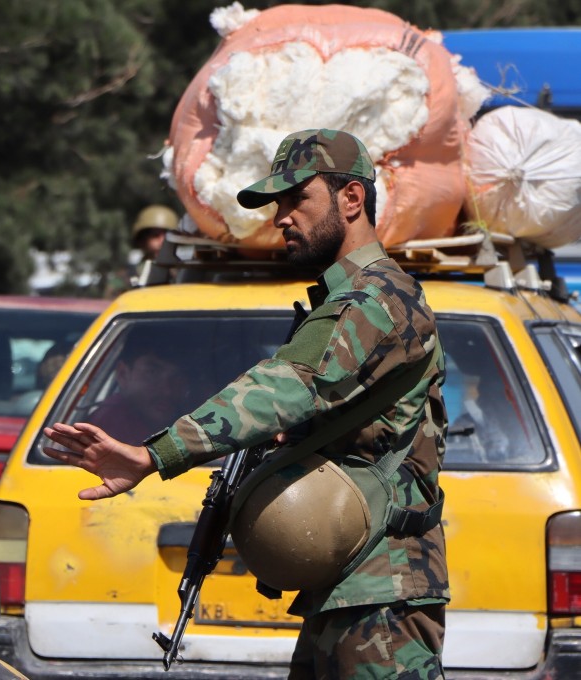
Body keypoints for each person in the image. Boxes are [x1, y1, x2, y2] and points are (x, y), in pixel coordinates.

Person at [43, 129, 448, 679]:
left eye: (297, 199)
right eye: (277, 205)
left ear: (352, 199)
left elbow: (291, 383)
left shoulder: (381, 297)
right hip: (348, 581)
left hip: (385, 587)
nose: (282, 217)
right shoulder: (345, 300)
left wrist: (155, 455)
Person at [84, 330, 189, 445]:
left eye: (178, 377)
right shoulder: (112, 426)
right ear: (122, 374)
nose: (167, 391)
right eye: (152, 373)